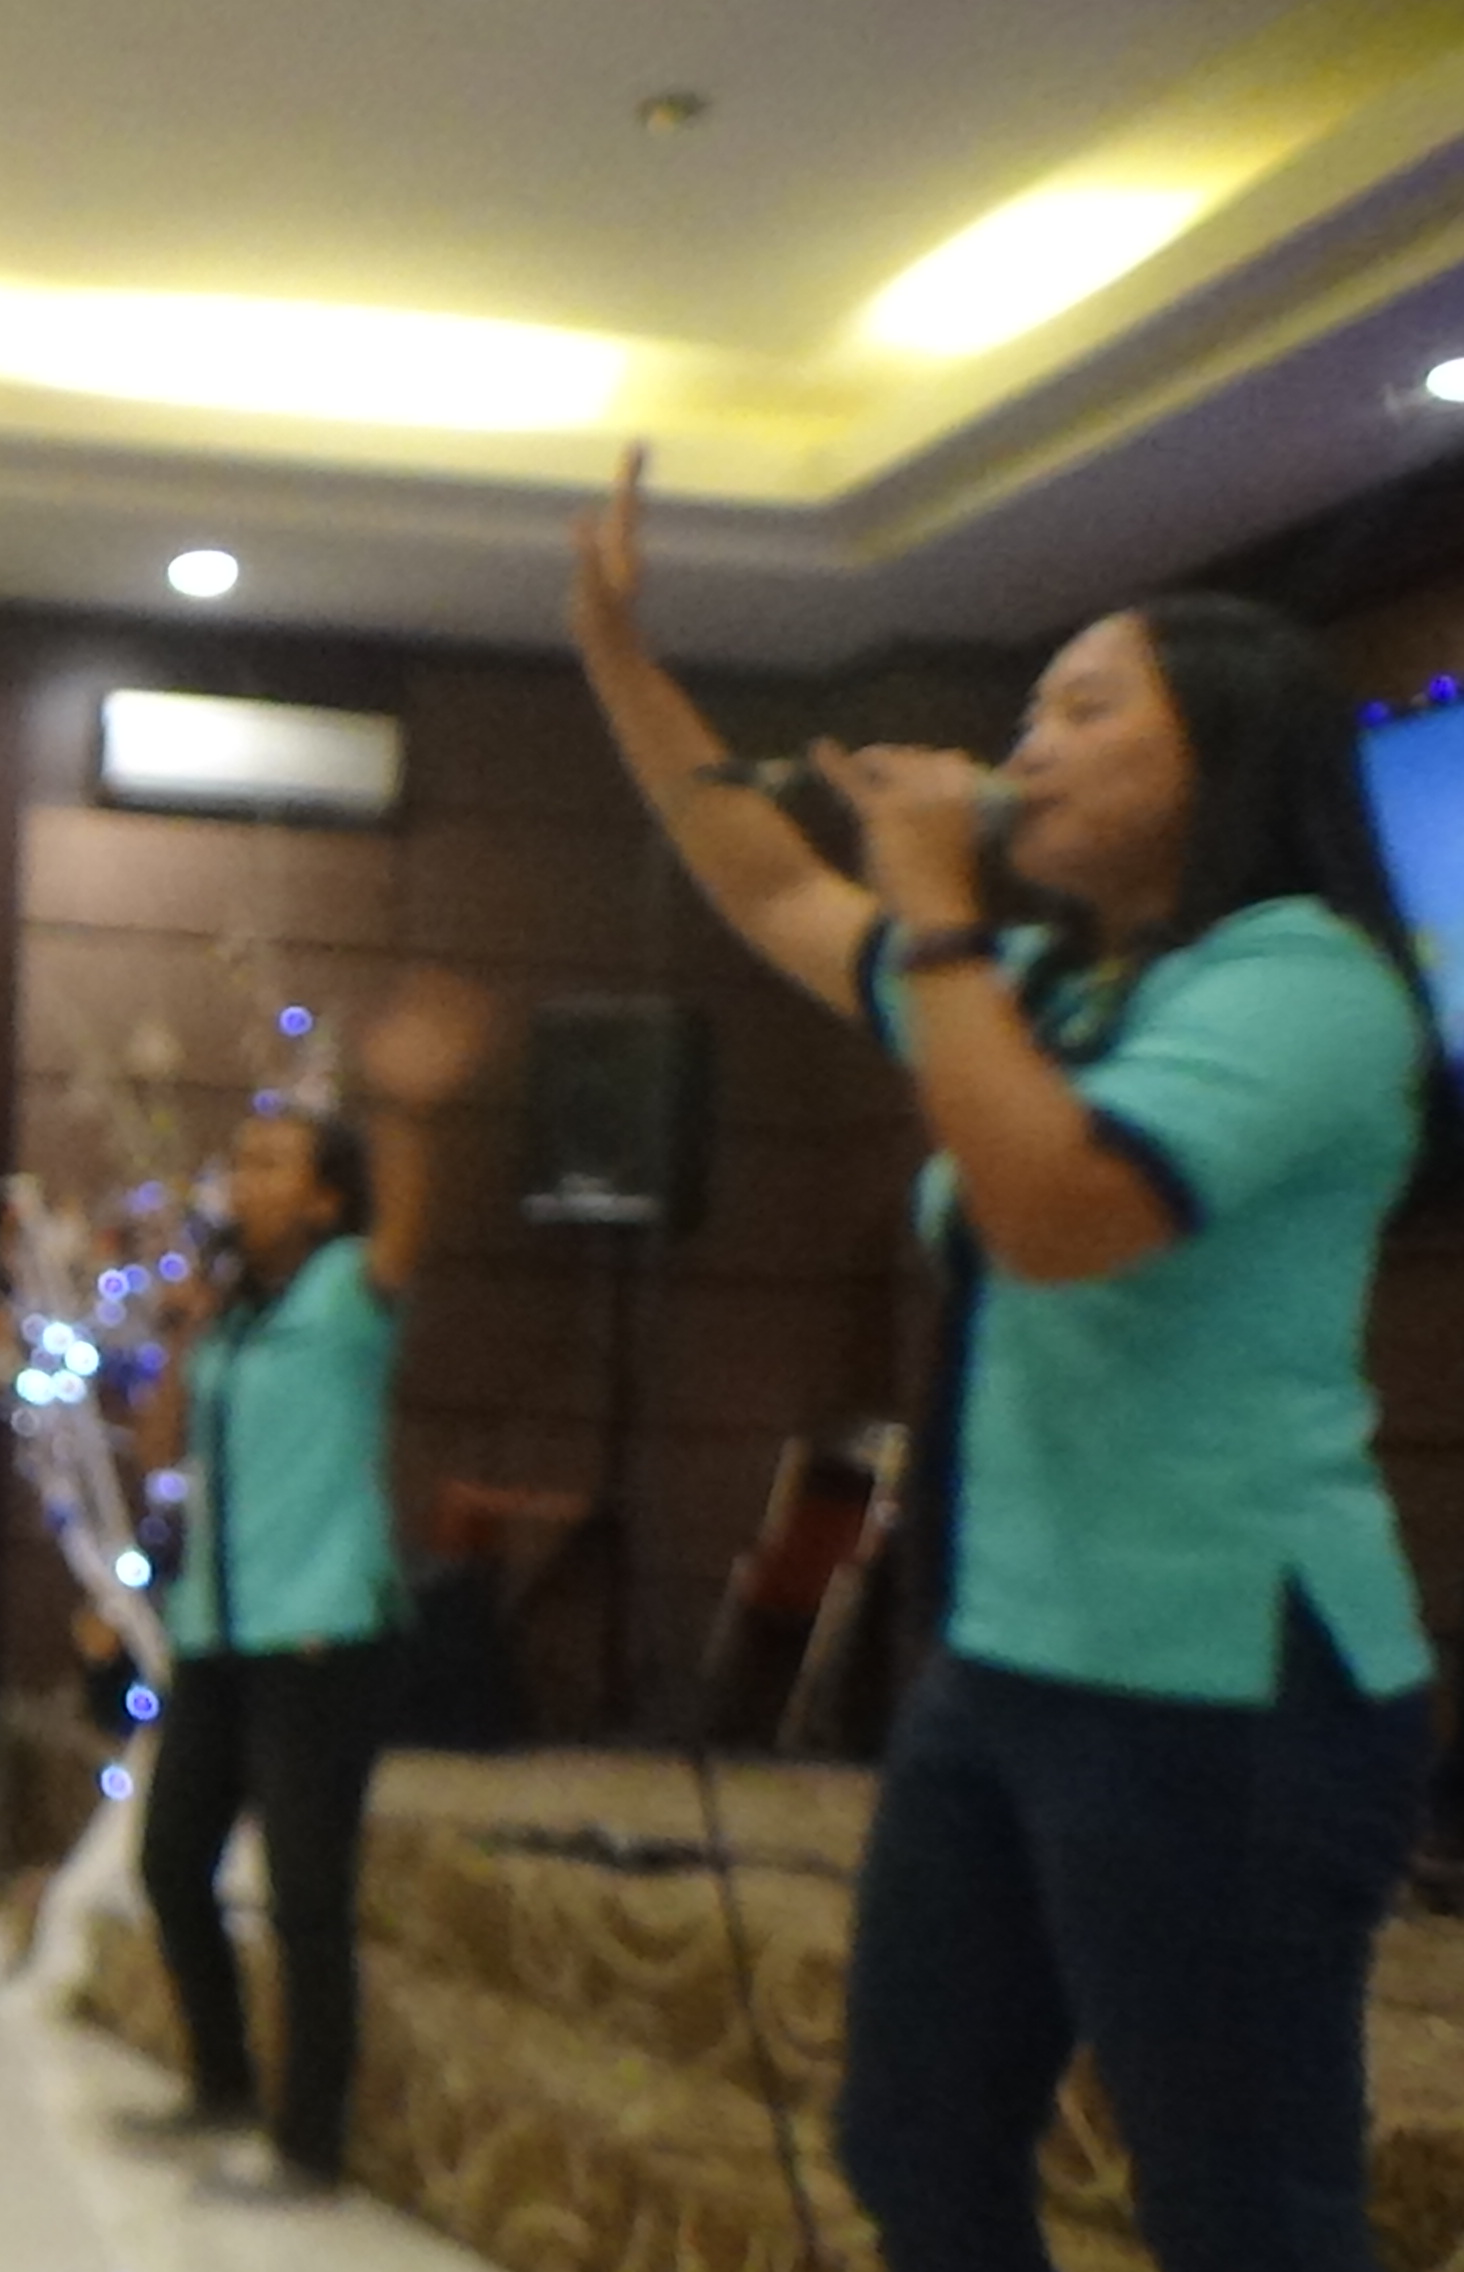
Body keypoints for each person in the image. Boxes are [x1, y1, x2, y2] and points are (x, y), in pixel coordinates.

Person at [570, 447, 1445, 2271]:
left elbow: (1054, 1209)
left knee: (1242, 2208)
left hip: (1226, 1680)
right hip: (1008, 1659)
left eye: (1083, 709)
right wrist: (619, 659)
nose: (1026, 747)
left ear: (1225, 751)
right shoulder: (1057, 991)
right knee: (915, 2145)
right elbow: (770, 890)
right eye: (1028, 709)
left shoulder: (1308, 981)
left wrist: (939, 903)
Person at [123, 971, 490, 2202]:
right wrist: (183, 1329)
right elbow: (157, 1450)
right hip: (220, 1633)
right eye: (239, 1160)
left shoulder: (349, 1293)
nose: (243, 1178)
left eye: (271, 1162)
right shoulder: (232, 1318)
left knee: (305, 1891)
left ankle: (309, 2145)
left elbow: (406, 1223)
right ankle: (221, 2082)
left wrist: (408, 1110)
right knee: (172, 1860)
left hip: (325, 1632)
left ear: (325, 1198)